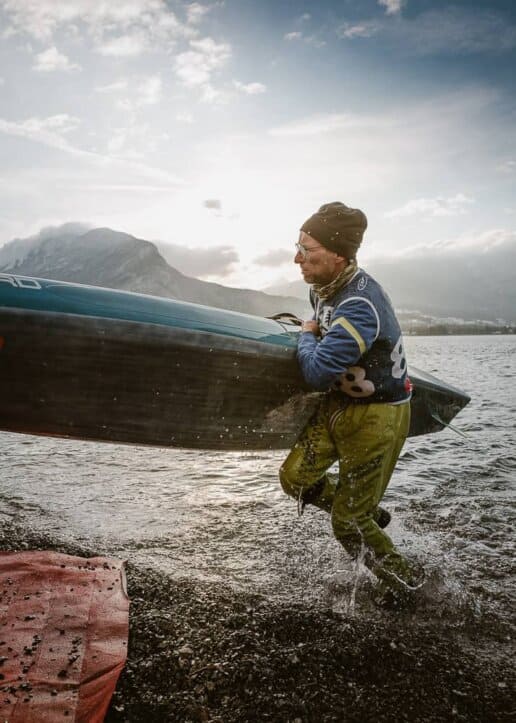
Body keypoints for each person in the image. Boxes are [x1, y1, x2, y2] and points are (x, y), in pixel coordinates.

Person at [279, 201, 423, 605]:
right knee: (295, 479)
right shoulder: (321, 288)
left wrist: (306, 334)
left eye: (307, 250)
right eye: (298, 246)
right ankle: (367, 513)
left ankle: (409, 585)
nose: (297, 258)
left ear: (339, 254)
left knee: (347, 524)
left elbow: (318, 371)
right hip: (337, 407)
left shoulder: (360, 305)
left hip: (377, 418)